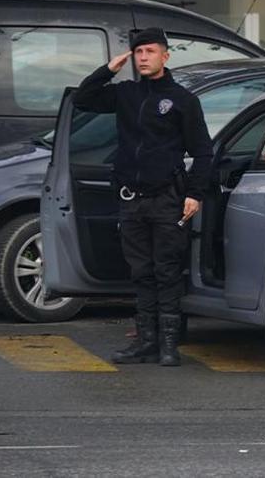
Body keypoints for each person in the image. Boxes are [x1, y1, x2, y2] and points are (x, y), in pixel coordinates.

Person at [73, 28, 213, 367]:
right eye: (139, 52)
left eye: (151, 51)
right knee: (140, 272)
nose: (144, 57)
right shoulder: (125, 93)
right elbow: (83, 98)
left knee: (166, 271)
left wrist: (195, 194)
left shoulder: (182, 100)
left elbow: (204, 152)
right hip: (131, 199)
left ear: (165, 56)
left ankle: (168, 345)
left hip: (167, 198)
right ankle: (145, 342)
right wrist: (109, 69)